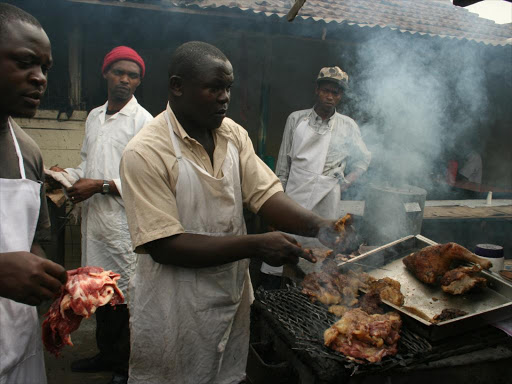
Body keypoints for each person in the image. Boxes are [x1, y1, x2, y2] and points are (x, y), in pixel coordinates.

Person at [119, 41, 342, 384]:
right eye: (214, 88)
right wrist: (255, 245)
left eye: (228, 88)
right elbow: (164, 245)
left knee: (226, 375)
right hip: (175, 304)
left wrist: (323, 226)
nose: (225, 97)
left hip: (230, 294)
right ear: (177, 86)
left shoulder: (233, 134)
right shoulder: (146, 152)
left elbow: (265, 194)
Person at [49, 46, 152, 384]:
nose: (125, 79)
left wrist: (102, 186)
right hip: (95, 223)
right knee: (99, 295)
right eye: (119, 72)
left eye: (132, 75)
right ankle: (105, 354)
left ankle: (124, 365)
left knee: (123, 298)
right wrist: (66, 174)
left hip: (123, 226)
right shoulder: (94, 116)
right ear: (106, 73)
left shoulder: (144, 121)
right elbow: (87, 165)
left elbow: (148, 179)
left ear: (139, 81)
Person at [0, 4, 68, 383]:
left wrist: (57, 286)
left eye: (44, 68)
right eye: (25, 63)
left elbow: (33, 241)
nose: (39, 78)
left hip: (18, 347)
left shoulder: (27, 151)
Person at [260, 66, 371, 287]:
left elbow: (363, 159)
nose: (330, 96)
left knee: (319, 251)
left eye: (336, 92)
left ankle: (310, 292)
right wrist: (274, 208)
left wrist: (346, 182)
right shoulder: (296, 119)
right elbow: (283, 166)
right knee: (285, 245)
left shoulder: (348, 126)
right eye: (326, 90)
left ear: (341, 96)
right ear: (317, 90)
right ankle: (274, 291)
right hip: (294, 193)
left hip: (327, 197)